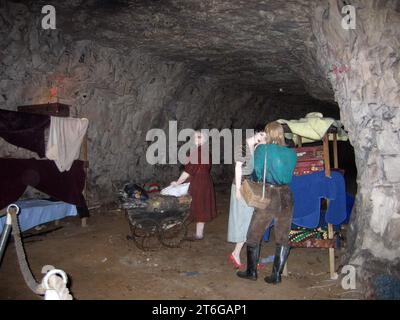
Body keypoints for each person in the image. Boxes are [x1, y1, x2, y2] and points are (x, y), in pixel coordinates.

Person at [237, 121, 297, 284]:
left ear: (269, 133)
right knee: (283, 235)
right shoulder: (292, 153)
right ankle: (276, 276)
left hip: (269, 194)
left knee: (254, 234)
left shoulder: (263, 149)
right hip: (286, 195)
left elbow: (255, 173)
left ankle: (251, 272)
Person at [227, 130, 266, 269]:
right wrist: (238, 189)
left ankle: (249, 257)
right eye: (262, 135)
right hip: (242, 186)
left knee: (250, 221)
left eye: (266, 137)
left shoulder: (253, 147)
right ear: (256, 133)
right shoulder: (242, 146)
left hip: (248, 186)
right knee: (245, 221)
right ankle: (236, 254)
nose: (263, 138)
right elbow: (238, 167)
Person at [170, 131, 216, 240]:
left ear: (204, 139)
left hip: (199, 182)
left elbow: (188, 171)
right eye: (195, 137)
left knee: (199, 205)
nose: (196, 138)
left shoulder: (197, 152)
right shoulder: (205, 151)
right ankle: (199, 234)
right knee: (201, 205)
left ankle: (198, 234)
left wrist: (177, 183)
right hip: (205, 181)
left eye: (199, 137)